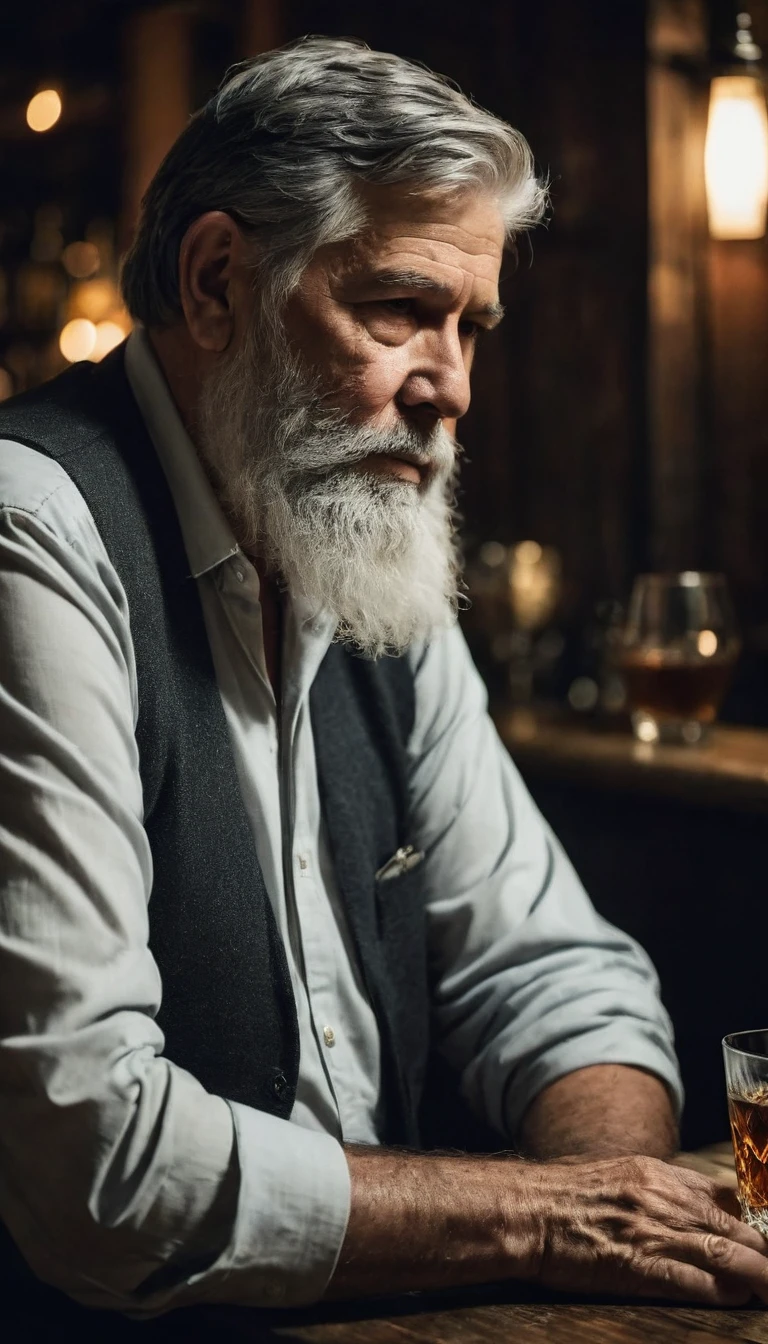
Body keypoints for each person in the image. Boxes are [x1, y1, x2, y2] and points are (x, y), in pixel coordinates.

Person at [0, 35, 765, 1319]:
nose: (451, 385)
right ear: (216, 281)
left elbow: (557, 975)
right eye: (402, 309)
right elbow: (94, 1161)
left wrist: (616, 1211)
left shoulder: (355, 534)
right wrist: (554, 1221)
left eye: (472, 327)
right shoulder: (35, 529)